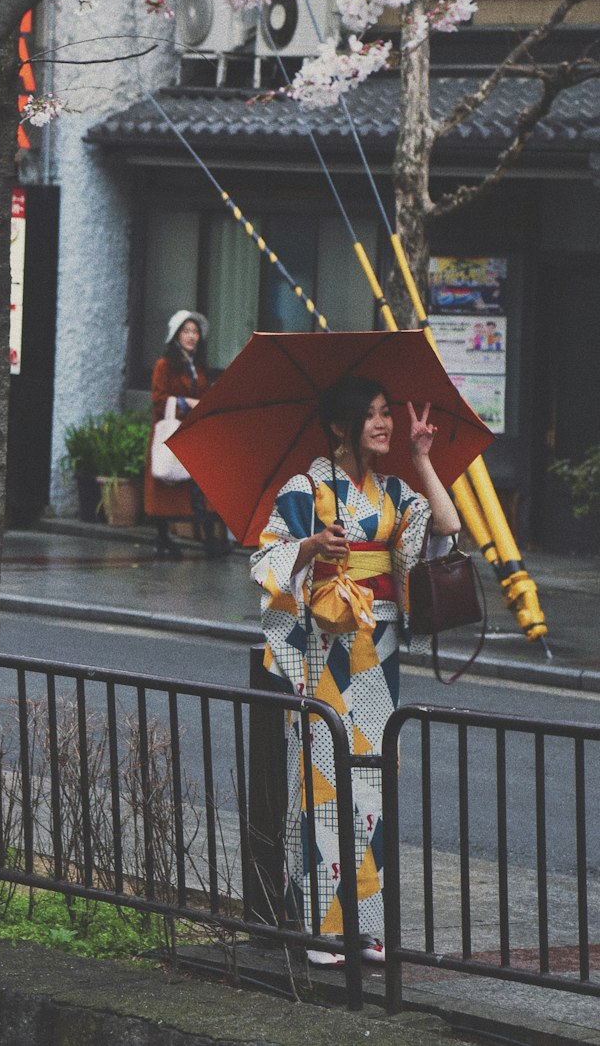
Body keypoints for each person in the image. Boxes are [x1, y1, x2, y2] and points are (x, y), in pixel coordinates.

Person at [249, 376, 461, 967]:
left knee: (372, 783)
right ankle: (321, 928)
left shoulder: (395, 490)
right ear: (340, 426)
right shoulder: (305, 487)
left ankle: (364, 928)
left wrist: (422, 459)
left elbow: (445, 527)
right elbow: (265, 557)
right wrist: (311, 547)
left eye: (387, 413)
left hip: (379, 648)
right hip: (323, 649)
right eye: (370, 415)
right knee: (322, 783)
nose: (384, 423)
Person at [144, 310, 225, 559]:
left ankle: (209, 538)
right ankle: (163, 537)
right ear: (176, 335)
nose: (191, 336)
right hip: (170, 432)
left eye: (195, 332)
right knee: (167, 485)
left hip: (192, 434)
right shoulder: (164, 364)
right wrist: (186, 403)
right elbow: (158, 399)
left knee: (199, 485)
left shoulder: (198, 365)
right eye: (186, 331)